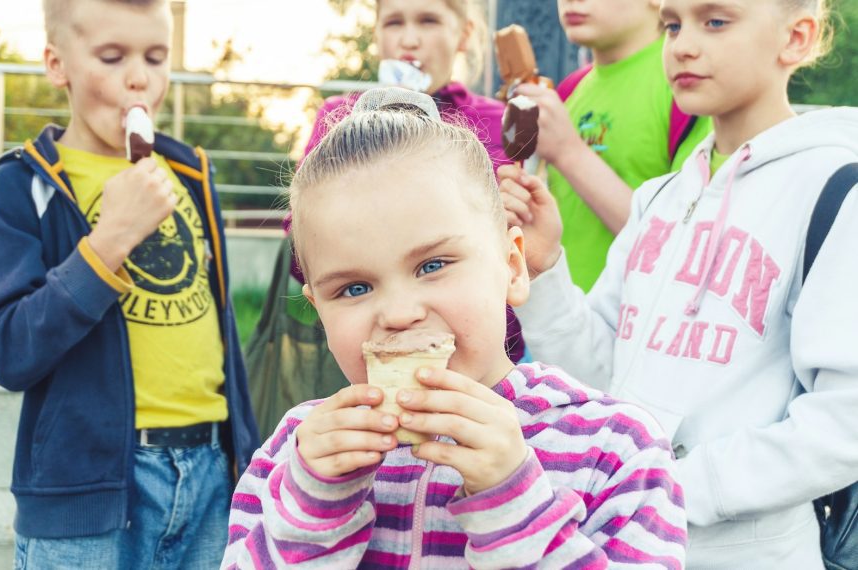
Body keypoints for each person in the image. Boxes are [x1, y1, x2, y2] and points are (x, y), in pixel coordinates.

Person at [221, 87, 687, 569]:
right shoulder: (293, 453)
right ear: (318, 309)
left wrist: (514, 504)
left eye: (433, 265)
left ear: (512, 266)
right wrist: (311, 508)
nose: (399, 314)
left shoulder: (612, 448)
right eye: (354, 289)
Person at [501, 0, 858, 566]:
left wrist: (676, 485)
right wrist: (544, 270)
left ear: (796, 38)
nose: (683, 45)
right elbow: (601, 374)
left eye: (715, 21)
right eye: (672, 24)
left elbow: (845, 423)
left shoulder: (837, 190)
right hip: (622, 543)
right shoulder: (659, 199)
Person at [0, 0, 259, 567]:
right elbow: (8, 349)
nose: (139, 77)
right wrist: (107, 242)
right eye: (112, 57)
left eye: (155, 57)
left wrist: (246, 460)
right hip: (87, 491)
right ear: (57, 65)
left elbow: (221, 338)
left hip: (213, 472)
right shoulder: (21, 186)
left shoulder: (188, 174)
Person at [290, 0, 528, 362]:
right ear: (377, 34)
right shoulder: (340, 123)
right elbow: (305, 251)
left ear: (463, 33)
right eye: (394, 23)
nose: (409, 40)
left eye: (428, 21)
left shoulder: (500, 120)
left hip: (494, 351)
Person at [502, 0, 711, 292]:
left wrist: (568, 152)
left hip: (637, 323)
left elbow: (683, 246)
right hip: (561, 320)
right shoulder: (568, 90)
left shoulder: (690, 84)